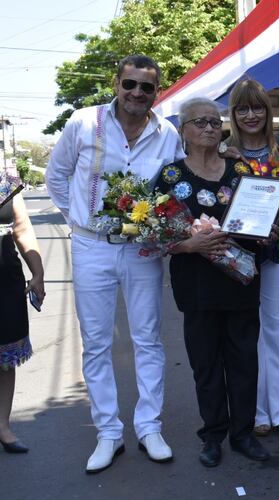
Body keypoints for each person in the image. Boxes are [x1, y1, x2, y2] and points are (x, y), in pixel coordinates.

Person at [46, 54, 184, 473]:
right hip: (92, 247)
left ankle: (149, 426)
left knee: (147, 339)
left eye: (146, 87)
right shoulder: (83, 122)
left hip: (142, 249)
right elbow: (57, 176)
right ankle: (108, 432)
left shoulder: (168, 133)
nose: (137, 93)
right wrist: (80, 223)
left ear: (156, 92)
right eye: (130, 84)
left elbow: (176, 184)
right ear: (116, 83)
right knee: (97, 342)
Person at [158, 97, 276, 467]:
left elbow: (260, 218)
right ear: (184, 131)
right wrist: (190, 243)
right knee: (206, 365)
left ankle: (243, 434)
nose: (209, 128)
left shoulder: (240, 170)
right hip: (197, 287)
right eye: (199, 122)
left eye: (214, 121)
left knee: (244, 362)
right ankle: (212, 436)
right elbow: (156, 236)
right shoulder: (170, 177)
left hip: (241, 283)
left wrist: (267, 230)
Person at [225, 79, 279, 438]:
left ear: (267, 112)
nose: (251, 115)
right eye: (242, 108)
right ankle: (257, 412)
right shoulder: (223, 153)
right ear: (234, 114)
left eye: (257, 108)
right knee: (247, 331)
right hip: (238, 254)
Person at [0, 180, 45, 454]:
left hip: (5, 279)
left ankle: (2, 427)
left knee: (5, 358)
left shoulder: (5, 180)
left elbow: (21, 227)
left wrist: (37, 273)